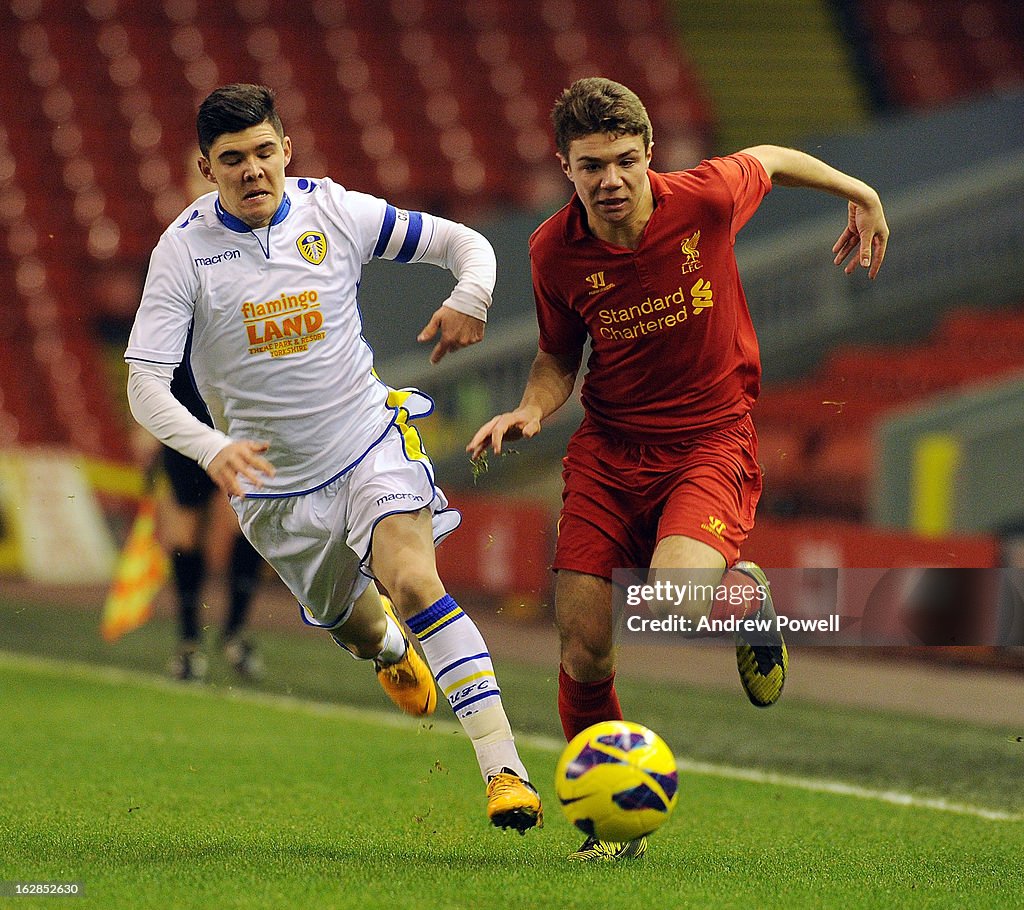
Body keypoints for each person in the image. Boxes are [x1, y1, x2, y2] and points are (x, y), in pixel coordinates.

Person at [468, 77, 889, 860]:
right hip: (607, 449)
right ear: (565, 166)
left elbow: (771, 156)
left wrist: (857, 188)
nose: (610, 180)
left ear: (650, 154)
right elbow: (558, 357)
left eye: (625, 160)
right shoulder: (552, 251)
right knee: (584, 646)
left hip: (708, 441)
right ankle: (606, 825)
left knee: (672, 604)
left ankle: (745, 598)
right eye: (591, 165)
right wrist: (532, 408)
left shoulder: (704, 199)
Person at [125, 83, 541, 833]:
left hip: (365, 442)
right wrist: (210, 445)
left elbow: (462, 244)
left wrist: (473, 293)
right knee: (356, 625)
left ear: (286, 149)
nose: (252, 171)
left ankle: (504, 770)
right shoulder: (182, 252)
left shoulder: (335, 211)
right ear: (205, 167)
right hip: (274, 492)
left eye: (263, 153)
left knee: (414, 581)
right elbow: (146, 385)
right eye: (232, 160)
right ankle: (386, 651)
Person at [161, 350, 265, 683]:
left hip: (237, 418)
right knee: (186, 529)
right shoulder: (176, 301)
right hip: (185, 419)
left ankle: (234, 633)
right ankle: (190, 642)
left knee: (244, 523)